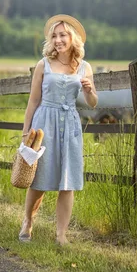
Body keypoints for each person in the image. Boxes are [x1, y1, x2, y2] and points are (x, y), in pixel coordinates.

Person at [19, 14, 98, 245]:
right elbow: (33, 102)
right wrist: (26, 134)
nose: (58, 40)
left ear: (73, 38)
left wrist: (90, 89)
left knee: (68, 180)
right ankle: (27, 222)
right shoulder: (43, 64)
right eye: (54, 36)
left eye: (63, 35)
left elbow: (92, 103)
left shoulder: (85, 67)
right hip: (44, 125)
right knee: (39, 179)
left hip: (70, 125)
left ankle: (61, 234)